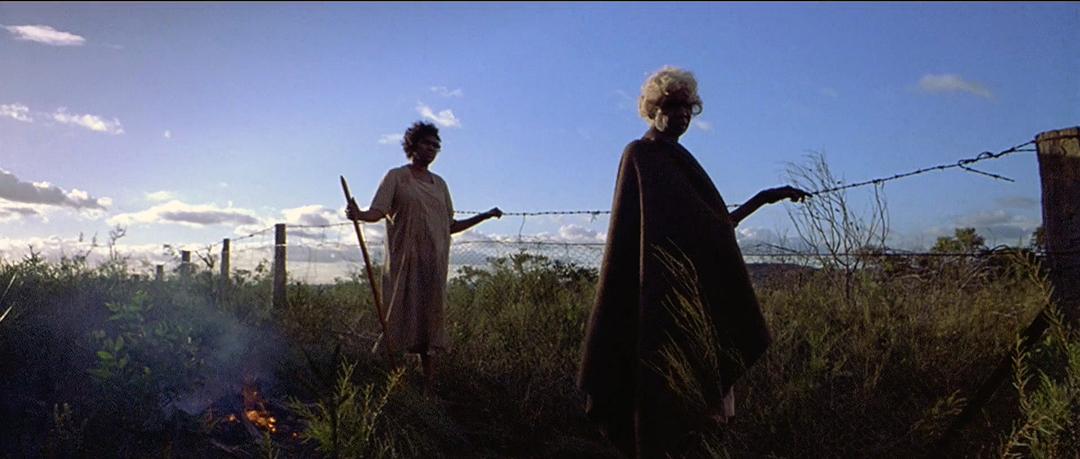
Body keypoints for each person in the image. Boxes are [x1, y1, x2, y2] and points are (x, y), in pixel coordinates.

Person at [577, 66, 809, 457]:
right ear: (654, 109)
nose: (682, 114)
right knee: (656, 386)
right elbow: (641, 237)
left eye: (688, 107)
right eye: (672, 106)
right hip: (655, 294)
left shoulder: (679, 159)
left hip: (690, 292)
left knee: (693, 399)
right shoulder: (641, 155)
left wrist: (765, 198)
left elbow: (714, 226)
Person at [347, 121, 502, 396]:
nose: (431, 149)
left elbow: (449, 226)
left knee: (430, 321)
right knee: (398, 317)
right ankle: (390, 384)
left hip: (434, 263)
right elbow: (377, 212)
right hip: (404, 263)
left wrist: (484, 216)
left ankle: (429, 389)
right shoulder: (396, 177)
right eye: (426, 143)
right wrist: (358, 214)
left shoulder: (440, 184)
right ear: (413, 145)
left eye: (436, 146)